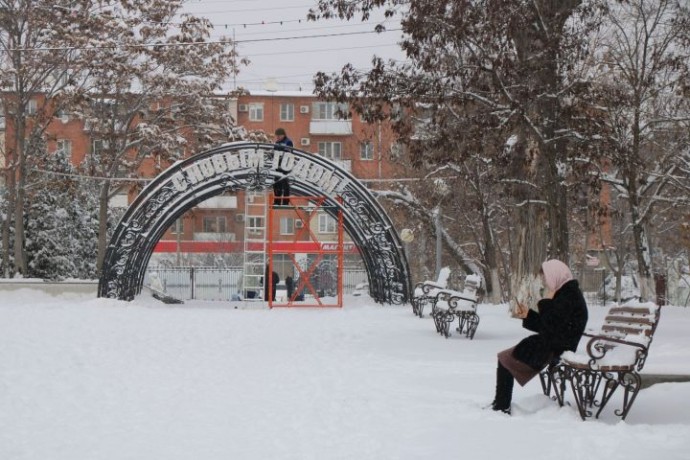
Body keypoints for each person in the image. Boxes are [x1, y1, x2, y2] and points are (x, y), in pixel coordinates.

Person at [490, 259, 588, 414]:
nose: (544, 281)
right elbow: (548, 325)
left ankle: (502, 406)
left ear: (555, 274)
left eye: (545, 277)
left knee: (506, 360)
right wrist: (527, 314)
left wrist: (547, 300)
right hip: (552, 343)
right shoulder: (566, 293)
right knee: (505, 358)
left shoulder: (568, 296)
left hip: (555, 348)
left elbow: (550, 327)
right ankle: (500, 404)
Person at [273, 127, 293, 206]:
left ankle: (285, 202)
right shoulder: (277, 142)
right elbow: (275, 152)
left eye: (279, 135)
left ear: (283, 135)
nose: (277, 137)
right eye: (276, 136)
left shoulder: (288, 142)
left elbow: (289, 152)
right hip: (277, 165)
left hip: (285, 165)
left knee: (285, 184)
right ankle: (277, 201)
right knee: (277, 183)